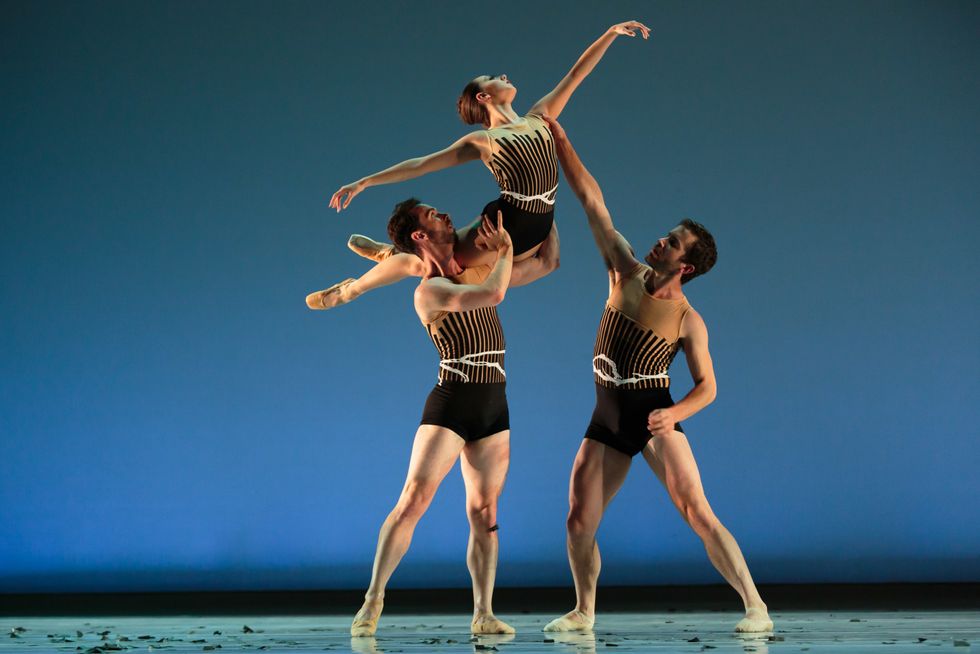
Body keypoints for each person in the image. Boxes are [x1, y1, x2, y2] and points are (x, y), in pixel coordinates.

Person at [540, 116, 774, 634]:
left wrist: (674, 414)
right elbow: (593, 203)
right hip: (606, 413)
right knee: (579, 520)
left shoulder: (689, 319)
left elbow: (709, 387)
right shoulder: (624, 270)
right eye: (666, 236)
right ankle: (584, 611)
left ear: (685, 266)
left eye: (671, 243)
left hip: (652, 415)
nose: (659, 243)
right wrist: (561, 142)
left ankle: (756, 607)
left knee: (695, 510)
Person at [316, 201, 557, 637]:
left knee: (485, 512)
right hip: (452, 401)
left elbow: (547, 263)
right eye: (432, 216)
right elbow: (495, 294)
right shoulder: (428, 291)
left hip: (493, 404)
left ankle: (483, 613)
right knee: (413, 500)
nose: (445, 214)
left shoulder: (475, 268)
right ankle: (373, 599)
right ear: (420, 235)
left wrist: (543, 206)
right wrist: (504, 251)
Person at [313, 20, 650, 308]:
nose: (503, 74)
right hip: (507, 221)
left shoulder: (539, 116)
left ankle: (388, 254)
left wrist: (609, 33)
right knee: (432, 266)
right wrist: (365, 182)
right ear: (483, 97)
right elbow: (421, 164)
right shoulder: (483, 142)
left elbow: (576, 75)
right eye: (493, 77)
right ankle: (350, 289)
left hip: (538, 221)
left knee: (537, 265)